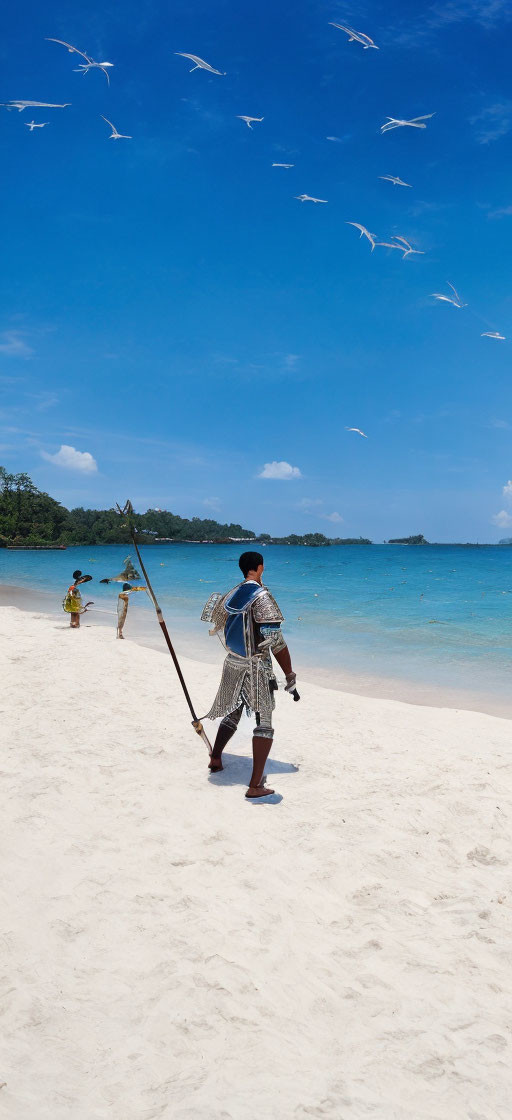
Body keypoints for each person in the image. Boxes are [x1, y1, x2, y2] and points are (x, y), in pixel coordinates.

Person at [201, 551, 297, 799]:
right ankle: (255, 785)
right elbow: (275, 641)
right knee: (264, 722)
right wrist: (289, 673)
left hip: (233, 662)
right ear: (260, 567)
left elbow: (219, 623)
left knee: (233, 709)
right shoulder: (261, 597)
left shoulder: (232, 593)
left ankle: (216, 757)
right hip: (256, 668)